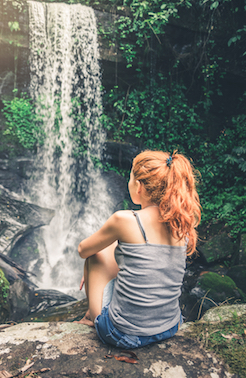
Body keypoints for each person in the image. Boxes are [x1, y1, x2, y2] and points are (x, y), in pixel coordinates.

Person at [76, 150, 201, 349]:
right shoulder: (181, 224)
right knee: (122, 251)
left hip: (122, 335)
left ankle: (93, 317)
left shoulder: (124, 220)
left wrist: (94, 268)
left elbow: (83, 249)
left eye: (131, 177)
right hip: (171, 327)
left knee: (94, 256)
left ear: (140, 186)